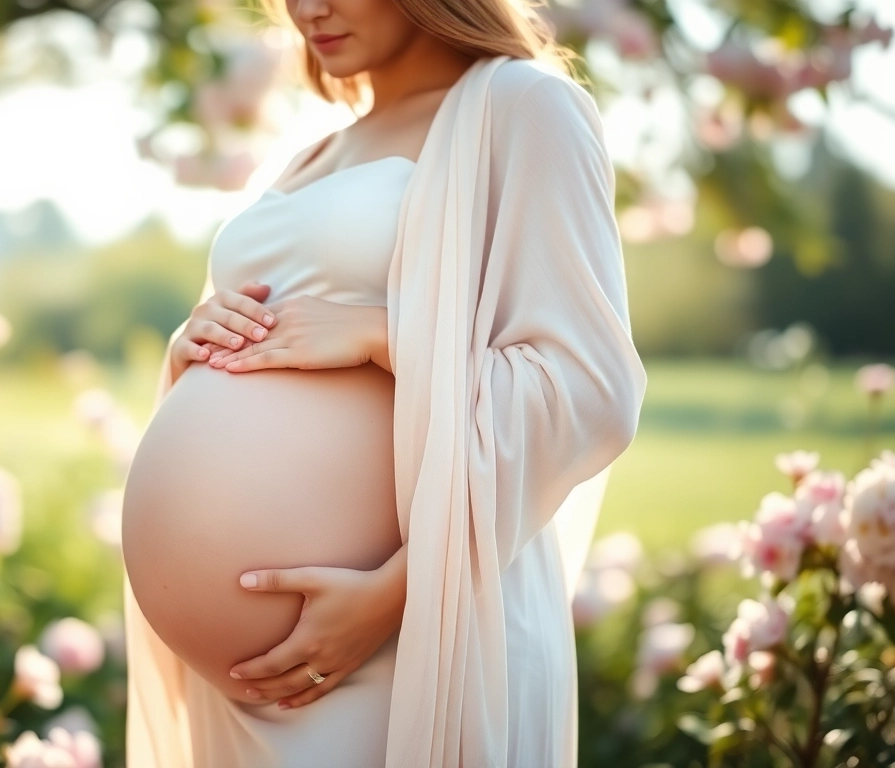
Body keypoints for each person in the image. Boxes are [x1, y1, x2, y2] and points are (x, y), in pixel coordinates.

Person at [118, 0, 649, 763]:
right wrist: (194, 344)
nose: (308, 9)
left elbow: (588, 388)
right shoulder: (312, 150)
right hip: (240, 692)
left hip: (404, 639)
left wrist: (398, 593)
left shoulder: (524, 105)